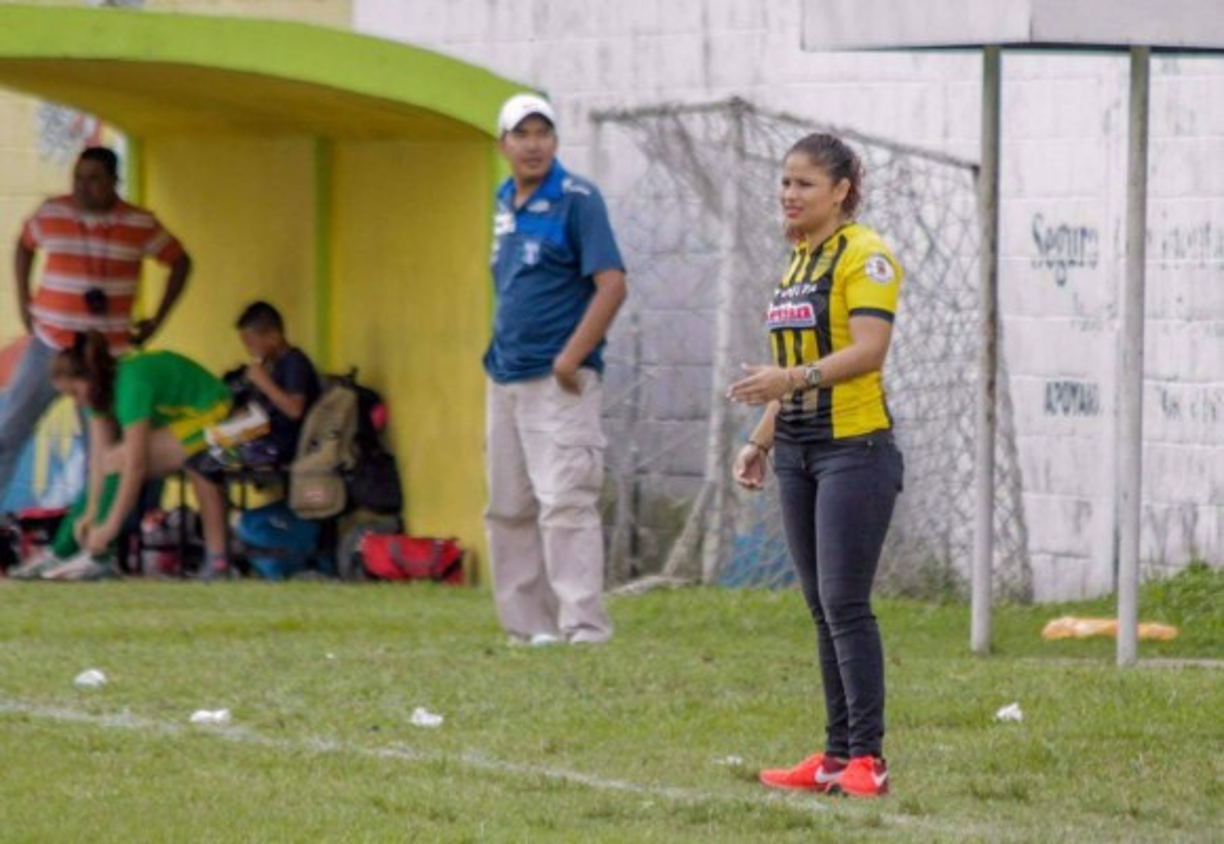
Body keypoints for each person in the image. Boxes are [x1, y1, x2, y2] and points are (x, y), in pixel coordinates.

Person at [726, 133, 905, 798]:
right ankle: (834, 757)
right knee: (819, 607)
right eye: (784, 183)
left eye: (804, 184)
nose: (789, 195)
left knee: (846, 603)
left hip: (854, 449)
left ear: (841, 191)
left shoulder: (867, 255)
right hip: (798, 452)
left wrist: (789, 379)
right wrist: (762, 438)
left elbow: (869, 350)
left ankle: (869, 758)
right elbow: (791, 374)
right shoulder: (798, 261)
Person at [483, 93, 628, 646]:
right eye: (521, 134)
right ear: (503, 145)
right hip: (505, 376)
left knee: (565, 501)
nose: (533, 144)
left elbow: (612, 284)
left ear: (556, 142)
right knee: (508, 506)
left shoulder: (577, 198)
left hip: (557, 380)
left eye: (543, 132)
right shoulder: (504, 200)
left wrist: (571, 357)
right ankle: (529, 628)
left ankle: (583, 627)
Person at [1, 146, 191, 504]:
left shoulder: (140, 223)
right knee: (8, 431)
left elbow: (180, 262)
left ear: (114, 182)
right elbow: (24, 246)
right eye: (78, 177)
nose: (82, 187)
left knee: (104, 451)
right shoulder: (52, 211)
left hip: (107, 354)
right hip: (50, 345)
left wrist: (157, 320)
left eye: (93, 179)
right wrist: (24, 303)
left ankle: (97, 537)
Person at [29, 332, 231, 581]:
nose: (76, 404)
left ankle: (99, 556)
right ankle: (64, 551)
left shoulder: (130, 384)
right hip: (186, 420)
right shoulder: (97, 392)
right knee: (109, 461)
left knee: (119, 460)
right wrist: (91, 512)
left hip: (223, 417)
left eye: (74, 394)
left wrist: (109, 527)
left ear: (89, 378)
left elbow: (135, 465)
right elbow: (97, 463)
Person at [222, 300, 321, 466]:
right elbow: (263, 410)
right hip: (264, 432)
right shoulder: (272, 365)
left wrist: (264, 382)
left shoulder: (294, 362)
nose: (249, 351)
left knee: (216, 451)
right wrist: (240, 417)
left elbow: (295, 410)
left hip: (287, 441)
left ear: (274, 337)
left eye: (251, 344)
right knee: (207, 441)